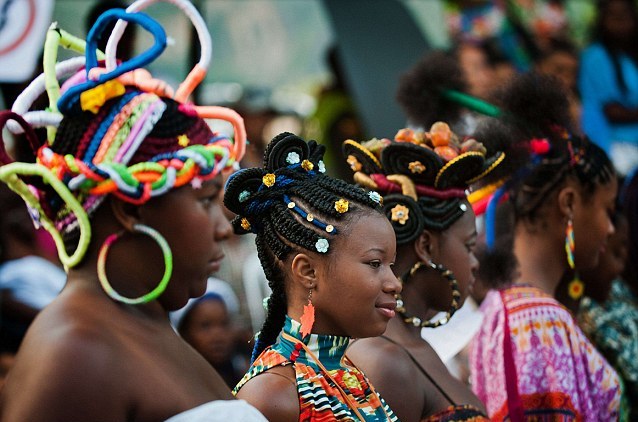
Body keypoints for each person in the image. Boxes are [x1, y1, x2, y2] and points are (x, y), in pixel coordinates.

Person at [0, 2, 266, 421]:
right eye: (203, 201)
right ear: (127, 207)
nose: (223, 228)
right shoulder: (76, 352)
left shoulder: (143, 323)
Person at [470, 73, 622, 420]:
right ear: (568, 203)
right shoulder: (540, 323)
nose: (611, 228)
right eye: (606, 210)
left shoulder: (501, 306)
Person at [227, 132, 401, 421]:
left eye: (391, 265)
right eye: (375, 263)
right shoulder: (272, 395)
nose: (394, 283)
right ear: (307, 271)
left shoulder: (344, 371)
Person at [342, 121, 502, 421]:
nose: (475, 262)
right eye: (468, 246)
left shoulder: (412, 342)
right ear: (426, 246)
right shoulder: (383, 361)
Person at [579, 0, 638, 175]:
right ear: (602, 20)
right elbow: (611, 111)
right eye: (614, 17)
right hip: (617, 146)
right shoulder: (595, 57)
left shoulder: (631, 56)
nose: (620, 23)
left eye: (625, 16)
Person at [173, 289, 248, 389]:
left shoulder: (245, 374)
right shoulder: (181, 385)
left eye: (224, 324)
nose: (218, 336)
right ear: (184, 333)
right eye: (205, 326)